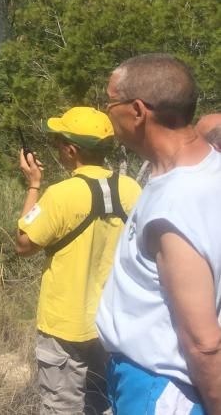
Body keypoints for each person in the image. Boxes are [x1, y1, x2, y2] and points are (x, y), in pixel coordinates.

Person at [96, 54, 221, 414]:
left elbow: (204, 343)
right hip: (151, 382)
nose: (106, 113)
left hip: (159, 389)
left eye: (109, 103)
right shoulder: (202, 170)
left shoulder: (175, 205)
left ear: (137, 110)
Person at [16, 106, 141, 415]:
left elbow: (23, 243)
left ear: (71, 150)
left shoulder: (61, 194)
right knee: (103, 404)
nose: (57, 146)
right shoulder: (132, 189)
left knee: (62, 409)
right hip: (113, 323)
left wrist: (33, 184)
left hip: (64, 327)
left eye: (59, 141)